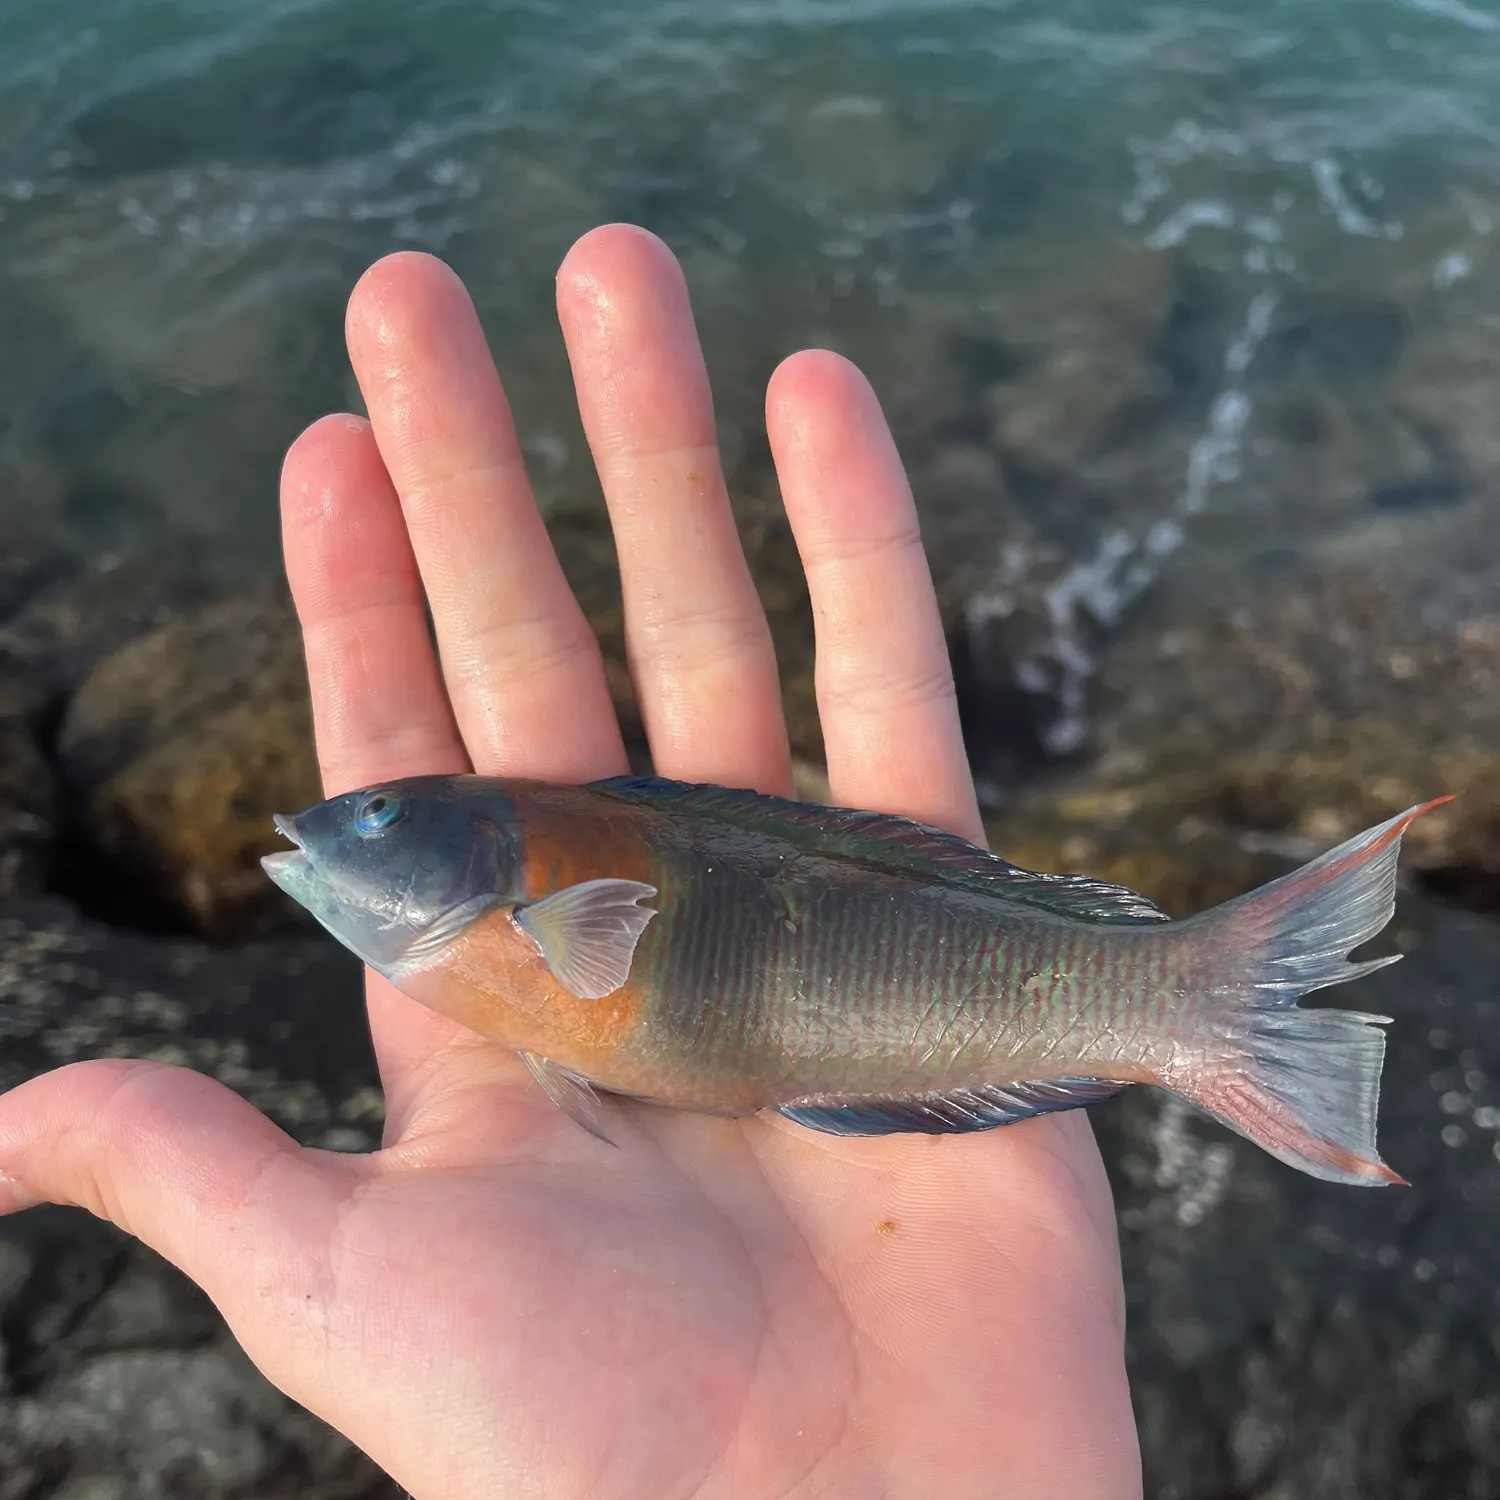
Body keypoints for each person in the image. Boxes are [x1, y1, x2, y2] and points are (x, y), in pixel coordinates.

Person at [0, 226, 1141, 1498]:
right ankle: (1162, 998)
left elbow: (602, 953)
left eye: (377, 815)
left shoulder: (532, 907)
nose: (330, 827)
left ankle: (1169, 998)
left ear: (482, 844)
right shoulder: (491, 931)